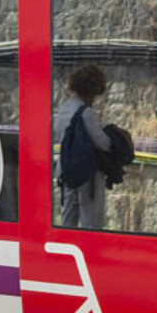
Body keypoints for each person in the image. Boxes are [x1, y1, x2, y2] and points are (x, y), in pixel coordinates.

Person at [54, 63, 112, 230]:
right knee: (91, 221)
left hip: (66, 171)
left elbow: (58, 134)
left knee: (68, 218)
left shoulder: (64, 109)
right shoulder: (86, 113)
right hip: (88, 175)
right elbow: (103, 143)